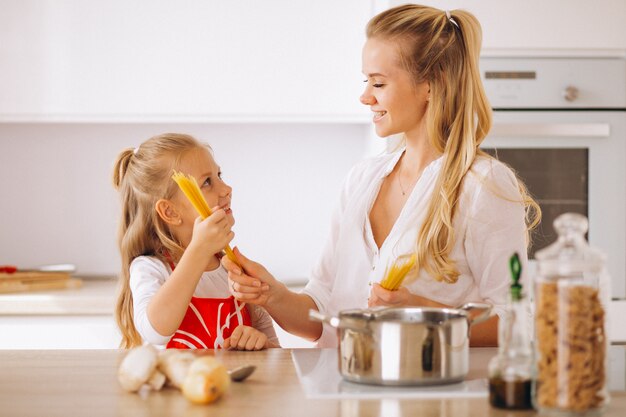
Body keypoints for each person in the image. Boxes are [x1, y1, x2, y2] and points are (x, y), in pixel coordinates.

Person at [222, 4, 540, 347]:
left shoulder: (482, 185)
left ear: (431, 85)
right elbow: (324, 309)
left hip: (433, 397)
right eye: (366, 81)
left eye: (379, 82)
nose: (365, 96)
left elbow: (515, 320)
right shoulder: (363, 179)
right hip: (344, 392)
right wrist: (271, 294)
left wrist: (424, 314)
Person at [112, 133, 279, 350]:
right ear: (170, 211)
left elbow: (278, 356)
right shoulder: (151, 269)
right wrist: (199, 250)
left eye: (219, 175)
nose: (226, 188)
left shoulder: (236, 271)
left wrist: (262, 345)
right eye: (207, 182)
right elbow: (155, 330)